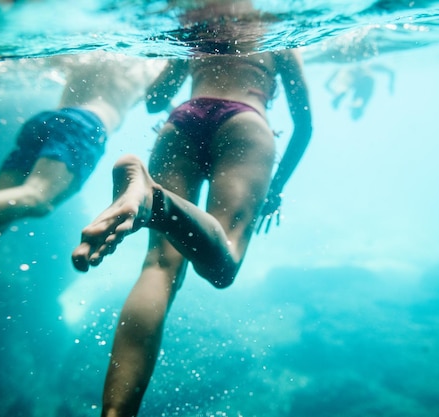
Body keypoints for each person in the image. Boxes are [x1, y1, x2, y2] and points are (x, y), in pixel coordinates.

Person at [71, 2, 313, 415]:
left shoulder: (196, 25)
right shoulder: (274, 26)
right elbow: (304, 121)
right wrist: (277, 186)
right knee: (223, 266)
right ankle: (155, 201)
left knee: (158, 268)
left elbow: (154, 102)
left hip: (182, 121)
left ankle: (114, 412)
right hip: (245, 120)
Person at [0, 52, 165, 271]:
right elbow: (157, 102)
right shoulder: (152, 62)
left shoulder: (93, 50)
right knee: (38, 199)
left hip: (49, 118)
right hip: (87, 125)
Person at [325, 63, 395, 120]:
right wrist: (391, 84)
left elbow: (389, 71)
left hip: (359, 78)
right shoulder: (366, 66)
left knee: (345, 82)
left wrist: (391, 82)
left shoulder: (347, 69)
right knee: (347, 83)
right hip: (366, 78)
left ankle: (342, 91)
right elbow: (389, 71)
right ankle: (342, 92)